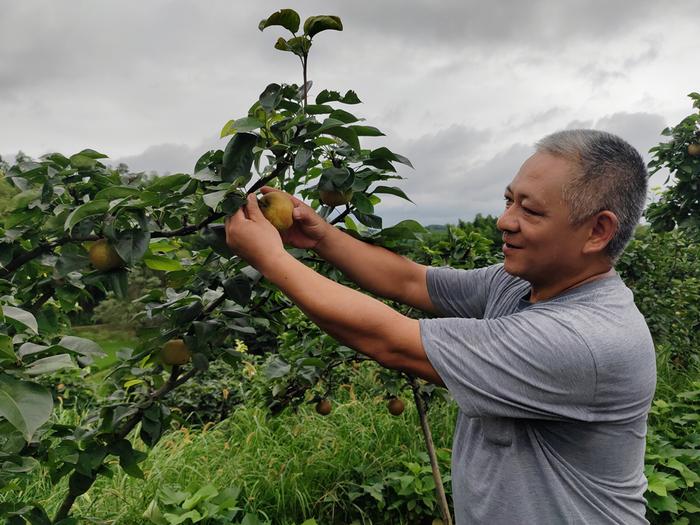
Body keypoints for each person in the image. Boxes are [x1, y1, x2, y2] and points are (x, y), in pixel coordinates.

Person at [224, 129, 657, 524]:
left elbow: (392, 341)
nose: (505, 220)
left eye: (531, 210)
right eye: (509, 200)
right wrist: (320, 237)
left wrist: (270, 259)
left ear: (598, 231)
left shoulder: (586, 341)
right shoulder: (517, 283)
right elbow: (412, 280)